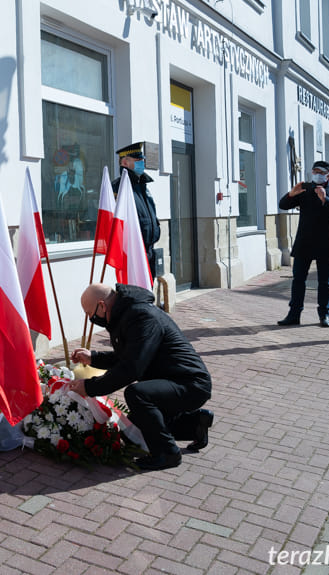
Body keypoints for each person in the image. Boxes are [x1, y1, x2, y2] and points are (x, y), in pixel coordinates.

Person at [67, 283, 213, 471]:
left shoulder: (141, 316)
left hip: (190, 384)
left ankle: (167, 453)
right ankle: (194, 424)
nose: (91, 319)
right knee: (134, 429)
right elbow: (126, 356)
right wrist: (93, 358)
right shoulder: (127, 315)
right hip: (172, 379)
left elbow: (131, 368)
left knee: (137, 394)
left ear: (102, 306)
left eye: (90, 314)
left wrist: (90, 387)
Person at [277, 160, 329, 328]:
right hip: (305, 242)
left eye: (321, 172)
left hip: (326, 243)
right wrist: (291, 194)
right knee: (298, 280)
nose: (317, 174)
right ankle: (294, 314)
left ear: (328, 175)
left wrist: (325, 199)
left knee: (325, 282)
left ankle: (324, 315)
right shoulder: (304, 189)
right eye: (315, 171)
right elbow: (283, 205)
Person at [112, 142, 161, 279]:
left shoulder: (143, 186)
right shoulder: (118, 187)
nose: (142, 163)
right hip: (133, 252)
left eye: (142, 160)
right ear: (125, 163)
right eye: (138, 160)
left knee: (148, 290)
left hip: (149, 250)